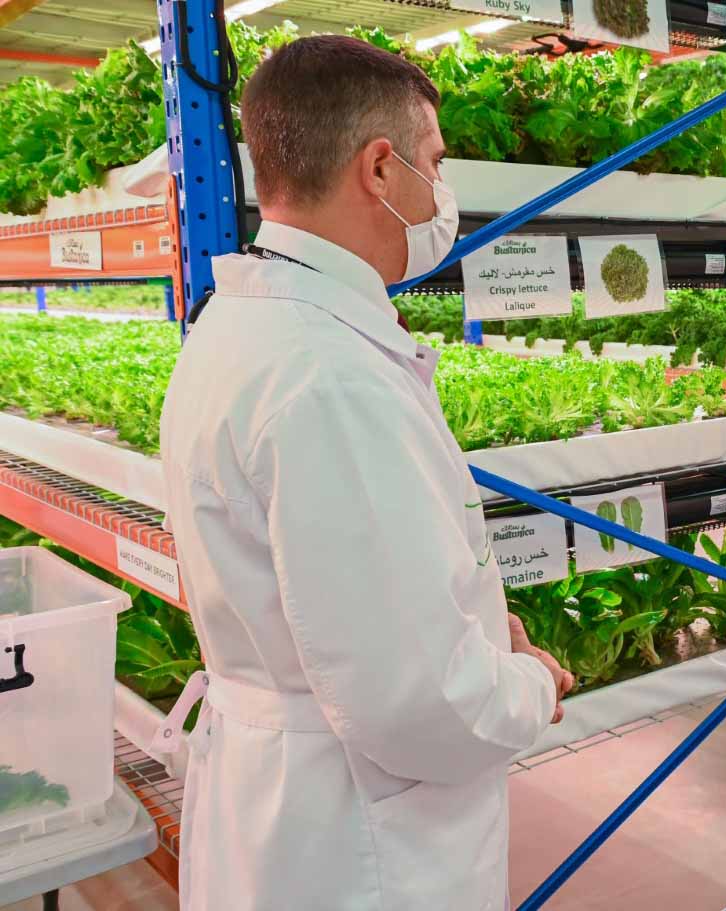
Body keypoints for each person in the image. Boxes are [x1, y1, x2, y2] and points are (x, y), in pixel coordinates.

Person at [157, 36, 571, 910]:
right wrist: (532, 680)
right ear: (381, 169)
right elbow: (423, 702)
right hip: (359, 845)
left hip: (288, 801)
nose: (442, 191)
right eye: (435, 163)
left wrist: (473, 621)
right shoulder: (330, 378)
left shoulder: (243, 327)